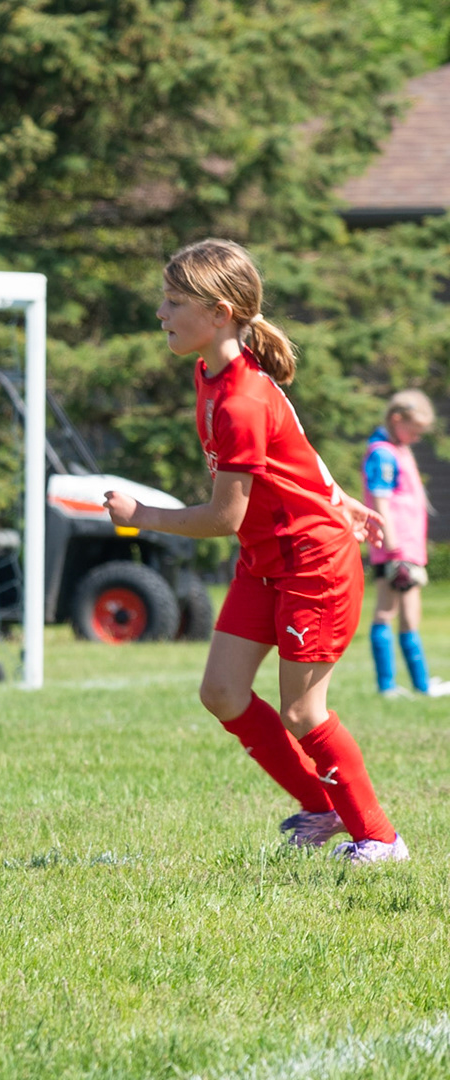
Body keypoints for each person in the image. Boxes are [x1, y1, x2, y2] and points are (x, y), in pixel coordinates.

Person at [103, 238, 405, 863]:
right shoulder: (212, 373)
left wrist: (142, 517)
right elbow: (294, 438)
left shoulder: (240, 398)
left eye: (173, 301)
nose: (160, 312)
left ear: (219, 313)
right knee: (222, 692)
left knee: (302, 711)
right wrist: (337, 493)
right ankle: (322, 808)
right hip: (265, 562)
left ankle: (380, 839)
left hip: (312, 565)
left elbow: (224, 517)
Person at [363, 389, 446, 697]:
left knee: (411, 615)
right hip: (396, 549)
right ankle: (387, 685)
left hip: (409, 548)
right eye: (414, 430)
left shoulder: (399, 450)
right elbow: (381, 500)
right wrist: (393, 546)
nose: (416, 437)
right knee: (387, 611)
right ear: (397, 419)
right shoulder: (383, 453)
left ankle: (421, 684)